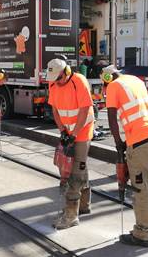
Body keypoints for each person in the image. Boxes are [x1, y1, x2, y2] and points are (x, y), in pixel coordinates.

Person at [101, 65, 148, 247]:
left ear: (107, 77)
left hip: (139, 143)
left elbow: (112, 117)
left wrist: (118, 143)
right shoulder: (136, 80)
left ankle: (142, 234)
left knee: (141, 189)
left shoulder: (113, 85)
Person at [46, 58, 95, 230]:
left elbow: (84, 110)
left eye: (58, 79)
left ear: (66, 72)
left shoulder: (79, 81)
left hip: (82, 130)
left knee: (76, 171)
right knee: (76, 167)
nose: (56, 83)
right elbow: (55, 110)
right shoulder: (53, 83)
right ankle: (84, 205)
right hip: (67, 131)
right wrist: (62, 132)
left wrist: (74, 134)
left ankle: (71, 215)